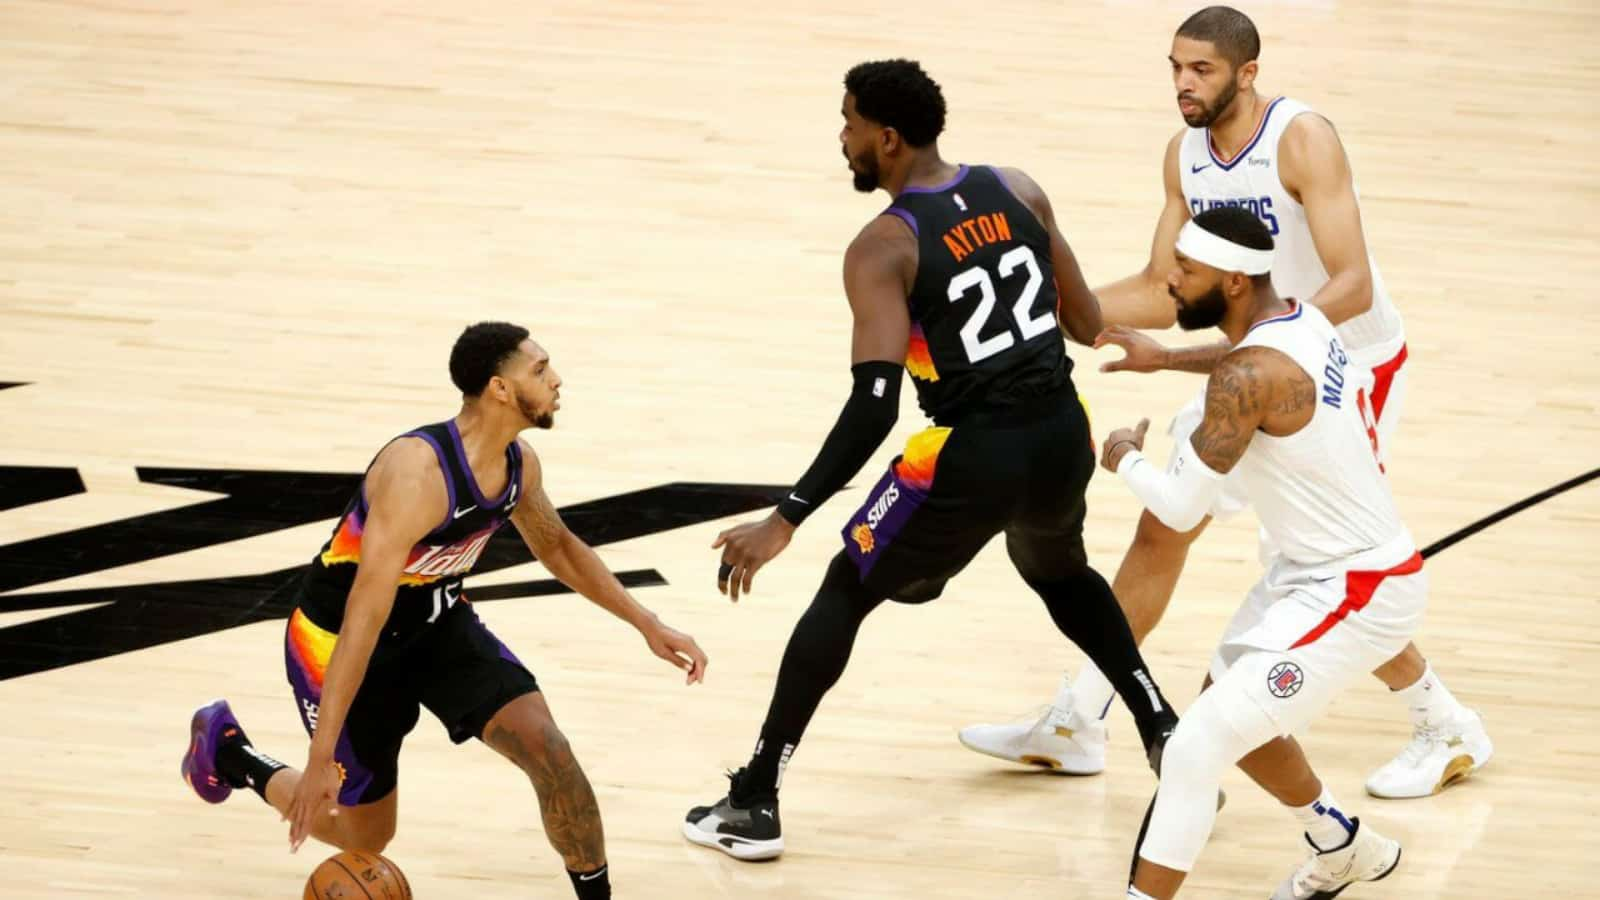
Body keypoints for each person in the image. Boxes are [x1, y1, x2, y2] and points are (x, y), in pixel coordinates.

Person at [958, 4, 1490, 799]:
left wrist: (1210, 357)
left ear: (1247, 73)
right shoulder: (1185, 155)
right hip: (1249, 366)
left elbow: (1353, 284)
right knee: (1164, 523)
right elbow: (1158, 286)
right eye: (1174, 66)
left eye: (1200, 68)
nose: (1182, 82)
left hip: (1345, 367)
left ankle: (1444, 723)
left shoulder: (1301, 138)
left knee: (1323, 568)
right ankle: (1081, 715)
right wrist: (1048, 313)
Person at [680, 59, 1180, 862]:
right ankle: (1162, 727)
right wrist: (1164, 347)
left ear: (886, 137)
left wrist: (787, 517)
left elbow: (875, 405)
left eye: (848, 124)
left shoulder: (883, 246)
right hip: (1062, 434)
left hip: (971, 454)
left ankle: (755, 799)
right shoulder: (1017, 187)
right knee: (1061, 574)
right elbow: (1084, 319)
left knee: (846, 587)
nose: (841, 139)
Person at [180, 322, 708, 900]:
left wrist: (647, 623)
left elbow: (557, 546)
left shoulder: (518, 465)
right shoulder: (417, 475)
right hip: (342, 640)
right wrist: (319, 757)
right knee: (365, 836)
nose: (556, 381)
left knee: (550, 752)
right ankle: (231, 754)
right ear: (499, 389)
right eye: (539, 370)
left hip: (438, 625)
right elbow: (364, 615)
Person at [1112, 207, 1414, 899]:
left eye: (1187, 271)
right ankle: (1340, 841)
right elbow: (1245, 362)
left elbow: (1181, 508)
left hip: (1357, 588)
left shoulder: (1247, 373)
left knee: (1192, 748)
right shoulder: (1301, 318)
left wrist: (1125, 457)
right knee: (1229, 710)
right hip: (1310, 574)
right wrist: (1163, 358)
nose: (1172, 283)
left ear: (1236, 282)